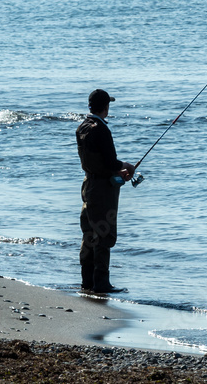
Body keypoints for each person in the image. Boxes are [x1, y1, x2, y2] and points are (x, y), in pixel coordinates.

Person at [76, 89, 135, 293]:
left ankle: (87, 280)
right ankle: (101, 283)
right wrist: (126, 166)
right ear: (105, 107)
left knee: (89, 232)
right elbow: (110, 162)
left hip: (88, 185)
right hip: (103, 189)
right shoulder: (101, 129)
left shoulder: (82, 127)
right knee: (103, 232)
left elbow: (97, 163)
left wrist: (118, 171)